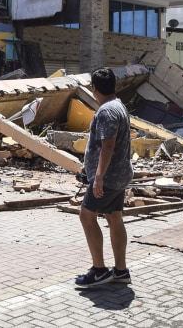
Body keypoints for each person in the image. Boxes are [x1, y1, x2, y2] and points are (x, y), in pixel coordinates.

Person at [75, 67, 133, 287]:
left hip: (108, 178)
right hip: (119, 175)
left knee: (86, 216)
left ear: (94, 88)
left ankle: (99, 270)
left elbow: (108, 145)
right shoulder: (120, 107)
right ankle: (120, 271)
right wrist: (88, 168)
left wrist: (98, 177)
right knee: (114, 217)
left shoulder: (107, 111)